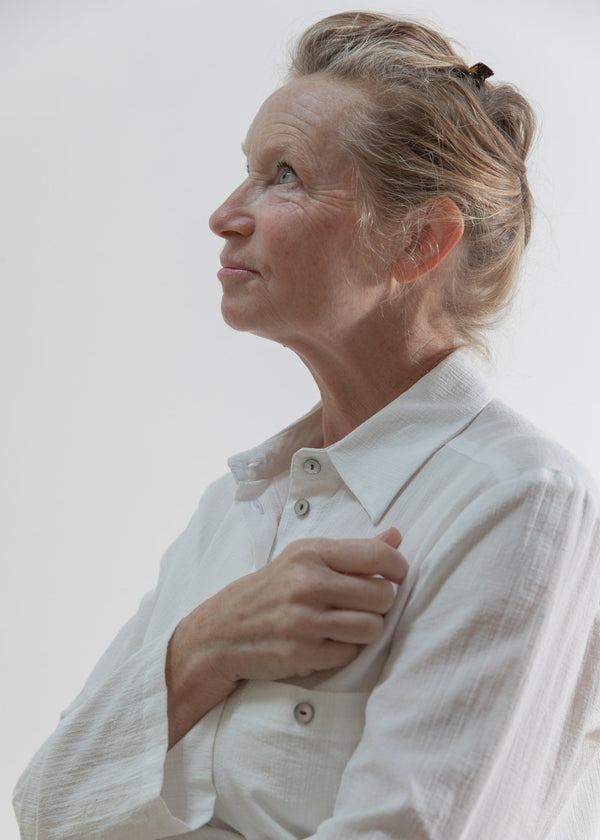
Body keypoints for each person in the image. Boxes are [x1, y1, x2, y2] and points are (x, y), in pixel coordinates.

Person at [13, 10, 600, 840]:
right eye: (247, 172)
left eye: (283, 176)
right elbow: (44, 807)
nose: (225, 214)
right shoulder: (236, 506)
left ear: (420, 240)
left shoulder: (521, 501)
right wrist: (205, 646)